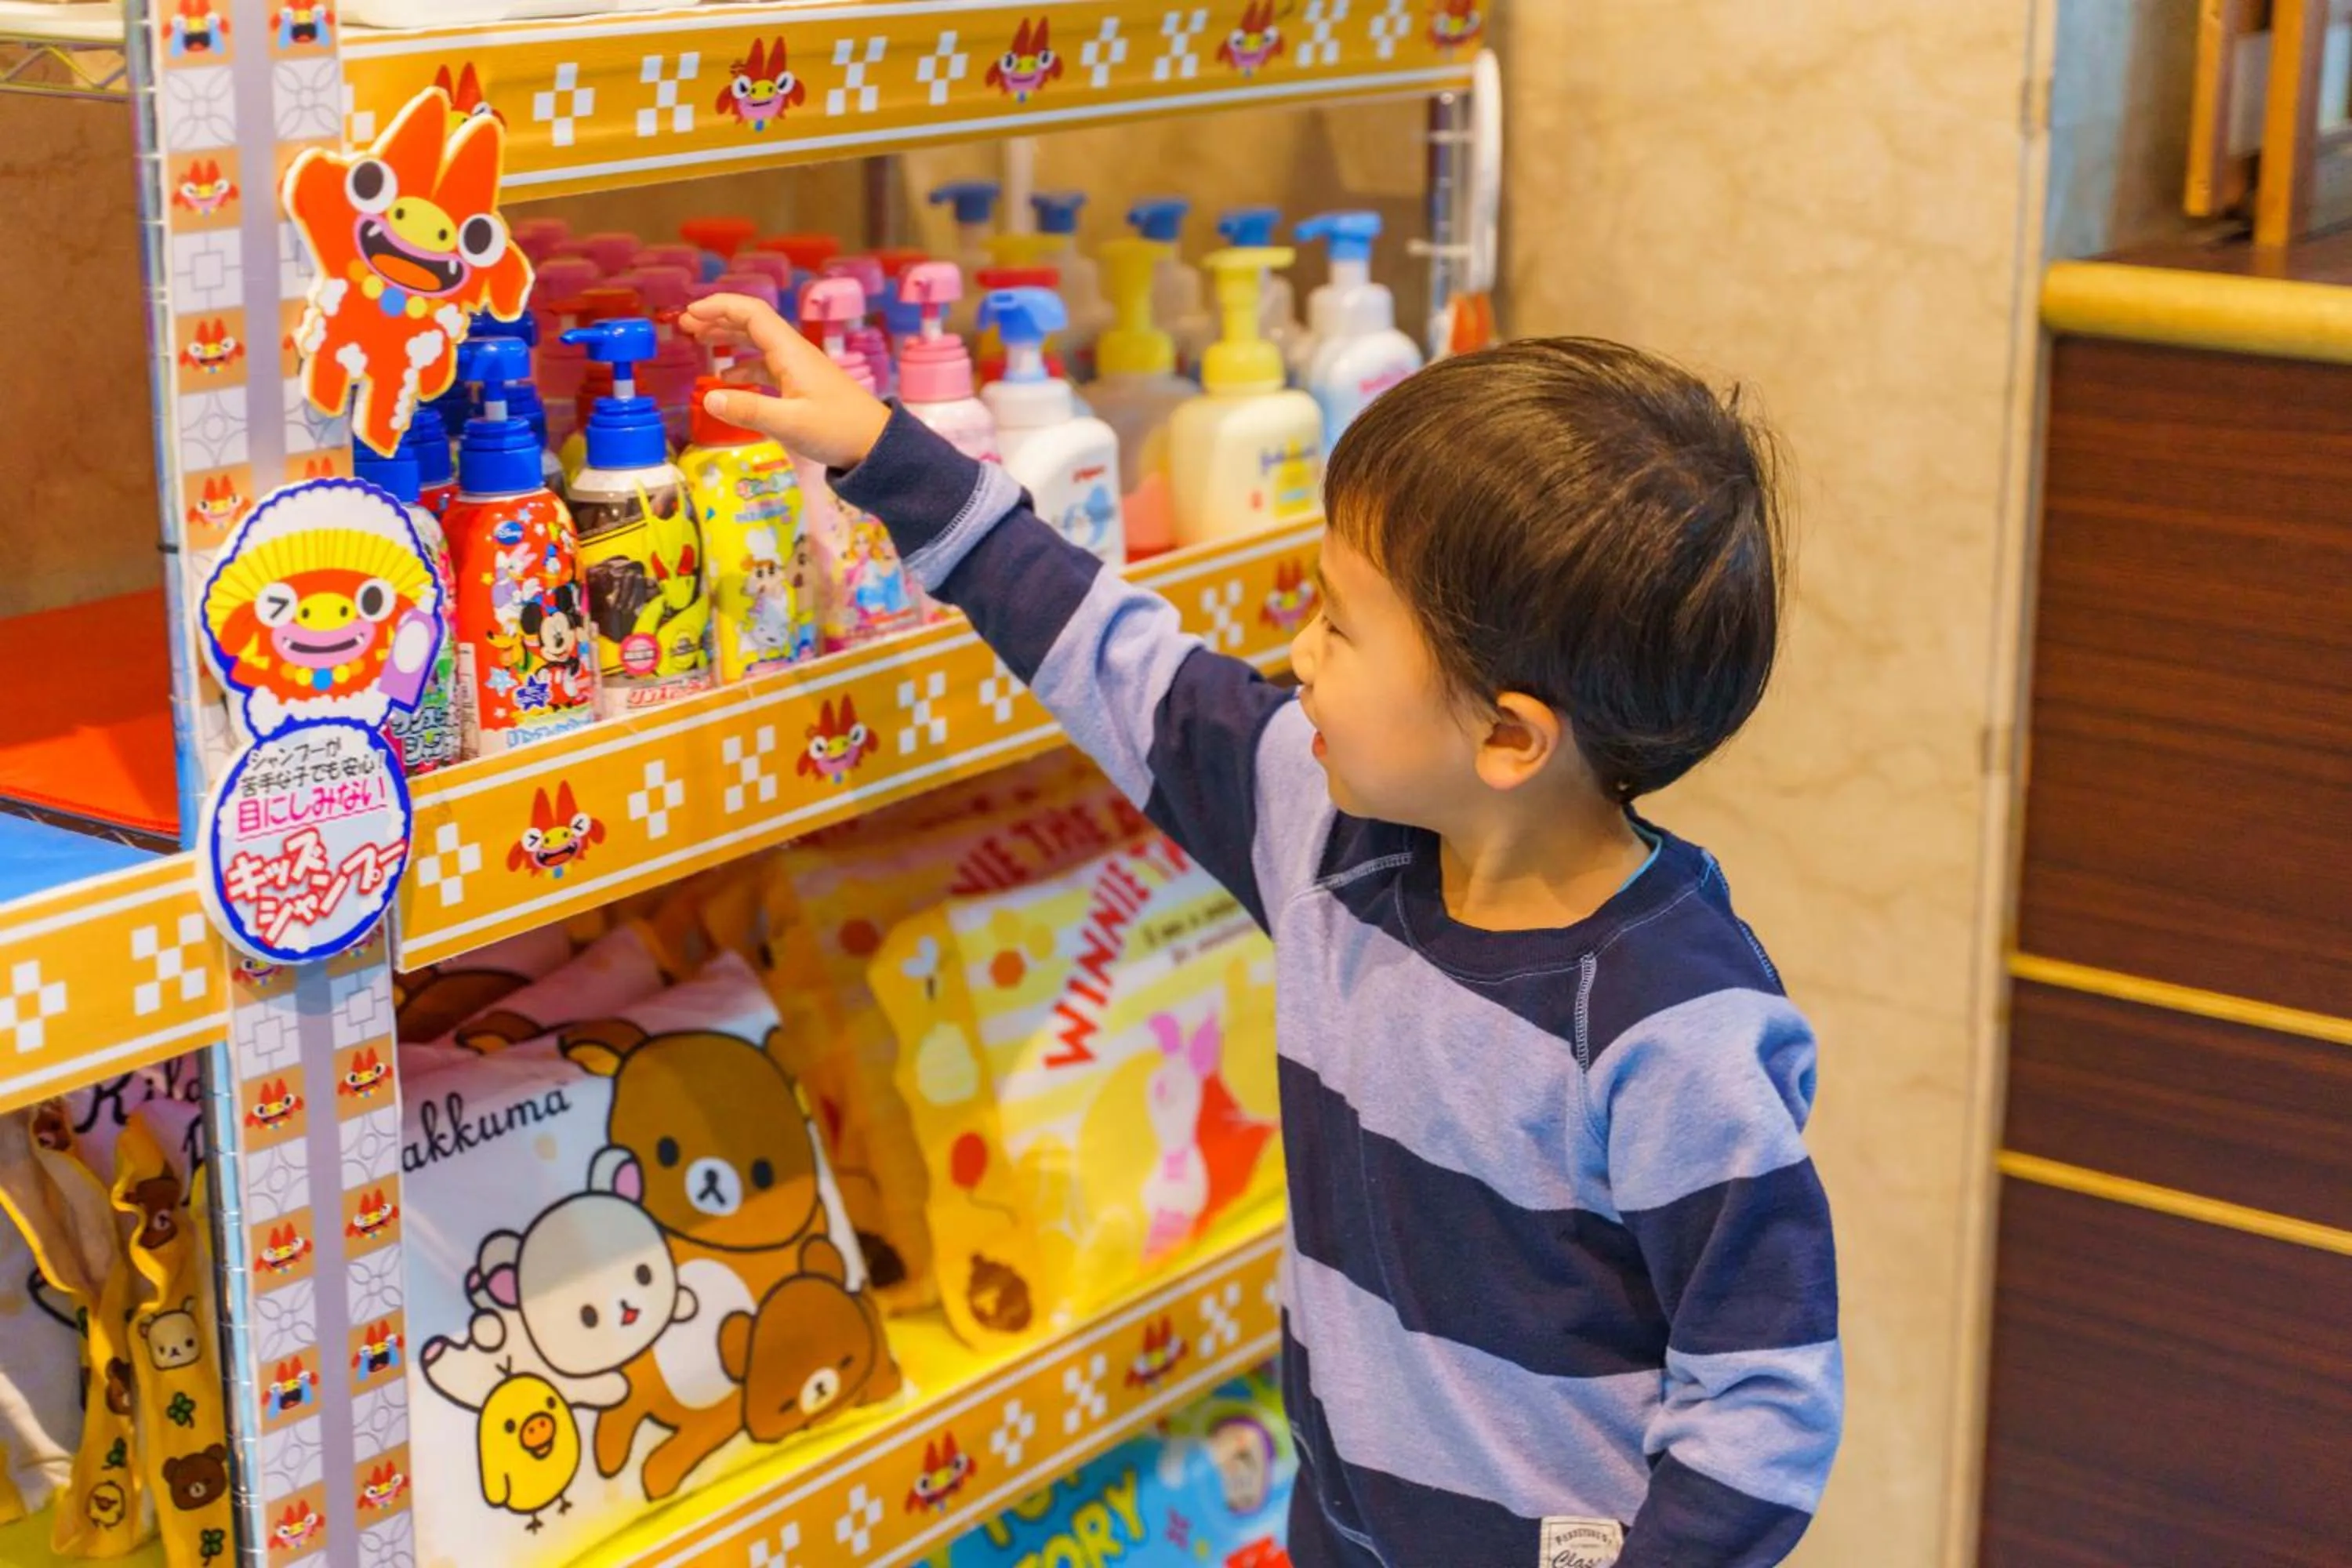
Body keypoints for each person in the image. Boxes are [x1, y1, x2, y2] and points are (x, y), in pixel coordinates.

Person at [682, 295, 1842, 1568]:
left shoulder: (1672, 1029)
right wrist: (883, 450)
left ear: (1510, 737)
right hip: (1340, 1530)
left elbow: (1763, 1406)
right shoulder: (1332, 839)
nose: (1297, 656)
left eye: (1339, 625)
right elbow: (1117, 659)